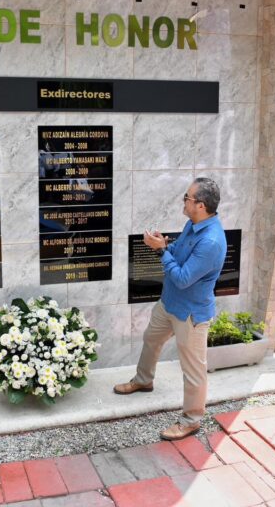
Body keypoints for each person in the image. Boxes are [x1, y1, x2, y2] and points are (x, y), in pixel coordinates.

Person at [114, 178, 227, 441]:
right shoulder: (193, 224)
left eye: (187, 198)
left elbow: (183, 277)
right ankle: (144, 380)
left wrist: (161, 251)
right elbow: (177, 250)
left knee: (193, 369)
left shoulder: (211, 241)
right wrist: (163, 245)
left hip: (191, 314)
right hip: (169, 303)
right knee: (151, 339)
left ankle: (191, 420)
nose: (183, 202)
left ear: (200, 205)